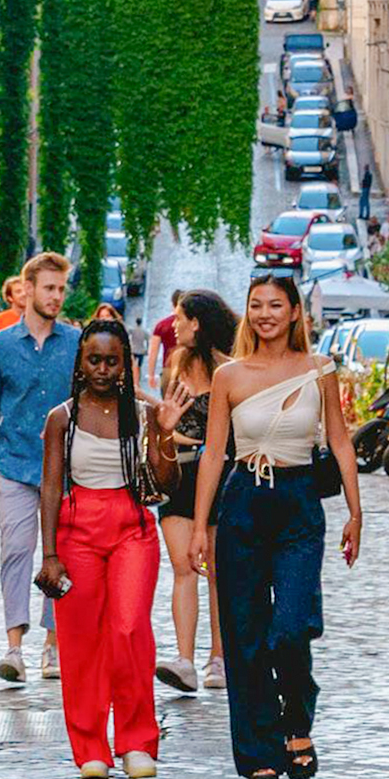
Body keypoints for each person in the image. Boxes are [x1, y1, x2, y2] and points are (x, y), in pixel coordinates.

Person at [189, 274, 362, 779]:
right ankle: (260, 755)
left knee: (291, 625)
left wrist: (356, 512)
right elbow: (214, 453)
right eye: (256, 305)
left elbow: (339, 438)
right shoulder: (229, 376)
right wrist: (200, 526)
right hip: (243, 501)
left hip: (298, 503)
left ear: (293, 313)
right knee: (244, 634)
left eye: (276, 305)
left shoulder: (318, 370)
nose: (265, 313)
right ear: (248, 313)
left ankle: (297, 723)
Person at [35, 320, 182, 779]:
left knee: (128, 628)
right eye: (93, 359)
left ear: (125, 364)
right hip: (76, 530)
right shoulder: (61, 417)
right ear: (80, 361)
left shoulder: (142, 414)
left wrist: (166, 434)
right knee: (80, 640)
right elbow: (50, 487)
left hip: (131, 528)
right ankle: (90, 747)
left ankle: (138, 740)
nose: (102, 369)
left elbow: (165, 483)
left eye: (111, 360)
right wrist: (50, 554)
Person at [0, 252, 79, 684]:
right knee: (15, 550)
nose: (56, 297)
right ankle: (14, 646)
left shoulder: (74, 342)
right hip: (14, 465)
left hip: (66, 470)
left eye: (61, 289)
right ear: (27, 290)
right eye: (50, 288)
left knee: (61, 555)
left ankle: (53, 644)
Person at [151, 290, 238, 693]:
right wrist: (171, 434)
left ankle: (218, 659)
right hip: (180, 476)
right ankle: (185, 659)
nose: (174, 325)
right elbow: (171, 424)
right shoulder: (176, 365)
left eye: (180, 318)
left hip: (221, 478)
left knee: (219, 573)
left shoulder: (230, 369)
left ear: (197, 323)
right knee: (184, 566)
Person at [146, 290, 183, 390]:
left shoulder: (161, 325)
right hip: (187, 368)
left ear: (172, 303)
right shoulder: (190, 324)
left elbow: (153, 352)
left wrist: (151, 374)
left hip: (168, 369)